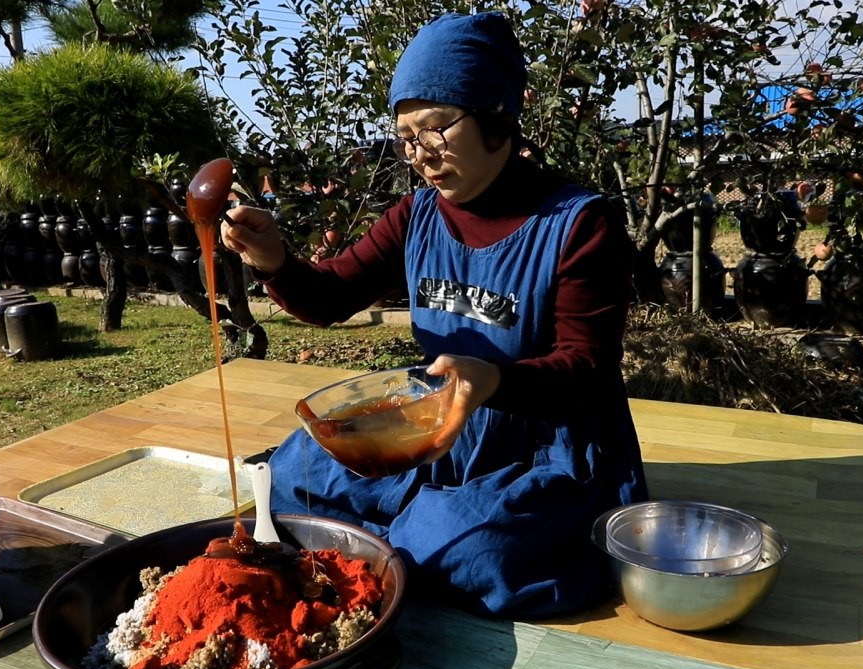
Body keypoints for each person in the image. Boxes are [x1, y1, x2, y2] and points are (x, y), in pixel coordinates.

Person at [221, 11, 647, 619]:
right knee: (291, 476)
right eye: (405, 135)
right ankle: (404, 526)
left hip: (544, 437)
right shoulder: (417, 215)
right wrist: (273, 258)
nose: (419, 153)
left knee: (465, 551)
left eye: (436, 128)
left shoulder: (579, 223)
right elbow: (329, 296)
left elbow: (587, 365)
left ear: (496, 114)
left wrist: (495, 380)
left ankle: (418, 529)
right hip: (436, 420)